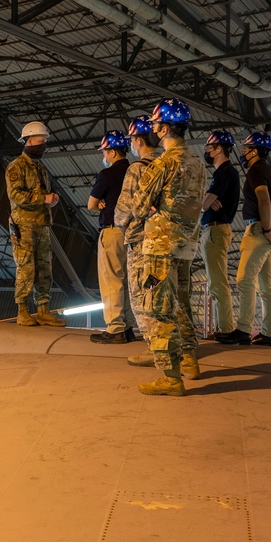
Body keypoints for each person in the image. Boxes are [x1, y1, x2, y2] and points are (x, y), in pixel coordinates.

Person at [130, 98, 207, 396]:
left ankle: (170, 377)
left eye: (156, 125)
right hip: (186, 246)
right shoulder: (196, 162)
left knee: (157, 308)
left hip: (159, 248)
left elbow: (138, 206)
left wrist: (152, 209)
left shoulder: (164, 163)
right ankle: (190, 359)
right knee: (181, 303)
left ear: (162, 129)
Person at [216, 133, 271, 346]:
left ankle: (244, 330)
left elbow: (263, 199)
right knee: (266, 285)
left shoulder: (256, 171)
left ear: (255, 151)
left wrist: (265, 229)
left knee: (245, 280)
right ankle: (269, 333)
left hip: (258, 229)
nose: (243, 153)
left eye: (246, 149)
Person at [6, 120, 66, 327]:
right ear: (29, 141)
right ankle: (22, 310)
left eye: (44, 142)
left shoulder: (41, 168)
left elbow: (40, 193)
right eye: (40, 142)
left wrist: (51, 198)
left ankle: (42, 309)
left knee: (44, 267)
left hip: (41, 224)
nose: (43, 146)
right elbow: (15, 195)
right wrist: (43, 199)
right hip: (24, 226)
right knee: (26, 267)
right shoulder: (16, 167)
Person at [113, 116, 156, 364]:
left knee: (141, 294)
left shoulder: (137, 168)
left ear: (138, 140)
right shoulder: (167, 164)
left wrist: (121, 223)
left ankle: (153, 346)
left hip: (141, 239)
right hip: (166, 238)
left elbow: (123, 210)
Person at [88, 130, 137, 344]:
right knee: (127, 279)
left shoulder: (106, 175)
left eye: (105, 152)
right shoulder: (135, 171)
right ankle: (127, 327)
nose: (104, 156)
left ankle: (115, 327)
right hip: (132, 232)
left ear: (113, 152)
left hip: (112, 231)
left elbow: (91, 204)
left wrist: (100, 203)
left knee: (112, 279)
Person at [200, 130, 240, 339]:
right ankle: (221, 328)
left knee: (217, 281)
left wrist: (206, 200)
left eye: (210, 147)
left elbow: (204, 204)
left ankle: (225, 329)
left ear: (218, 148)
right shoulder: (223, 173)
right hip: (214, 228)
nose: (207, 151)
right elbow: (206, 202)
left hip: (216, 229)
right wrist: (207, 199)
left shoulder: (225, 172)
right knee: (214, 281)